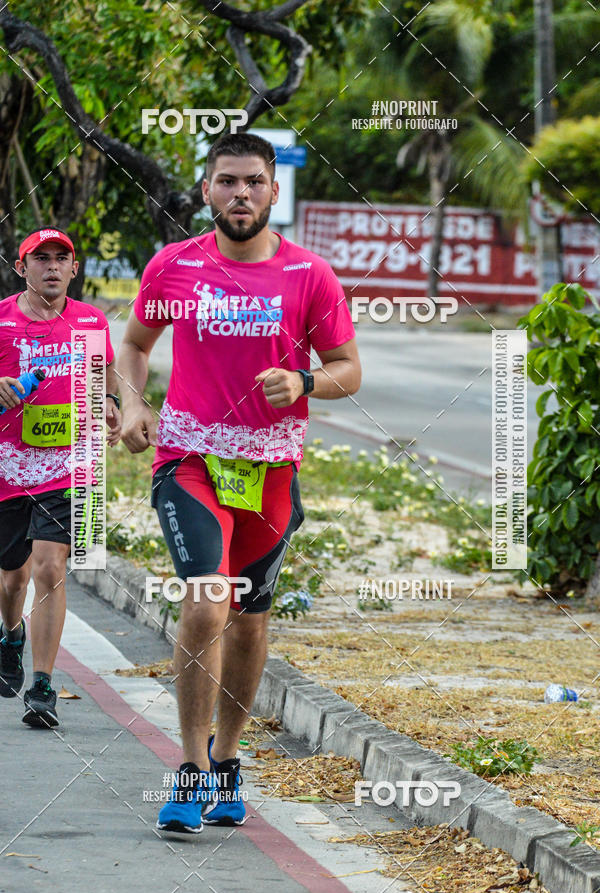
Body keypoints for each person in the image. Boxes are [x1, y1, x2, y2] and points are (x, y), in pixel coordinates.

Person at [118, 132, 361, 835]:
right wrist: (132, 403)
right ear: (207, 190)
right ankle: (189, 770)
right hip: (189, 459)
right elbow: (134, 345)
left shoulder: (309, 276)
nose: (241, 194)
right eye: (227, 181)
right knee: (205, 603)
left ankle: (227, 760)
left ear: (273, 192)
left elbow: (348, 367)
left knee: (250, 620)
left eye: (254, 182)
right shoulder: (174, 267)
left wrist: (306, 380)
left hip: (272, 471)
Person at [0, 228, 121, 727]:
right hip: (8, 465)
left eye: (61, 259)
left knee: (51, 566)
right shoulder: (2, 320)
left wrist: (112, 404)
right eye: (40, 258)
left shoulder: (91, 320)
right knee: (13, 578)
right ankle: (11, 636)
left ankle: (43, 685)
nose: (52, 266)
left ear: (74, 269)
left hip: (71, 464)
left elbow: (107, 372)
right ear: (21, 267)